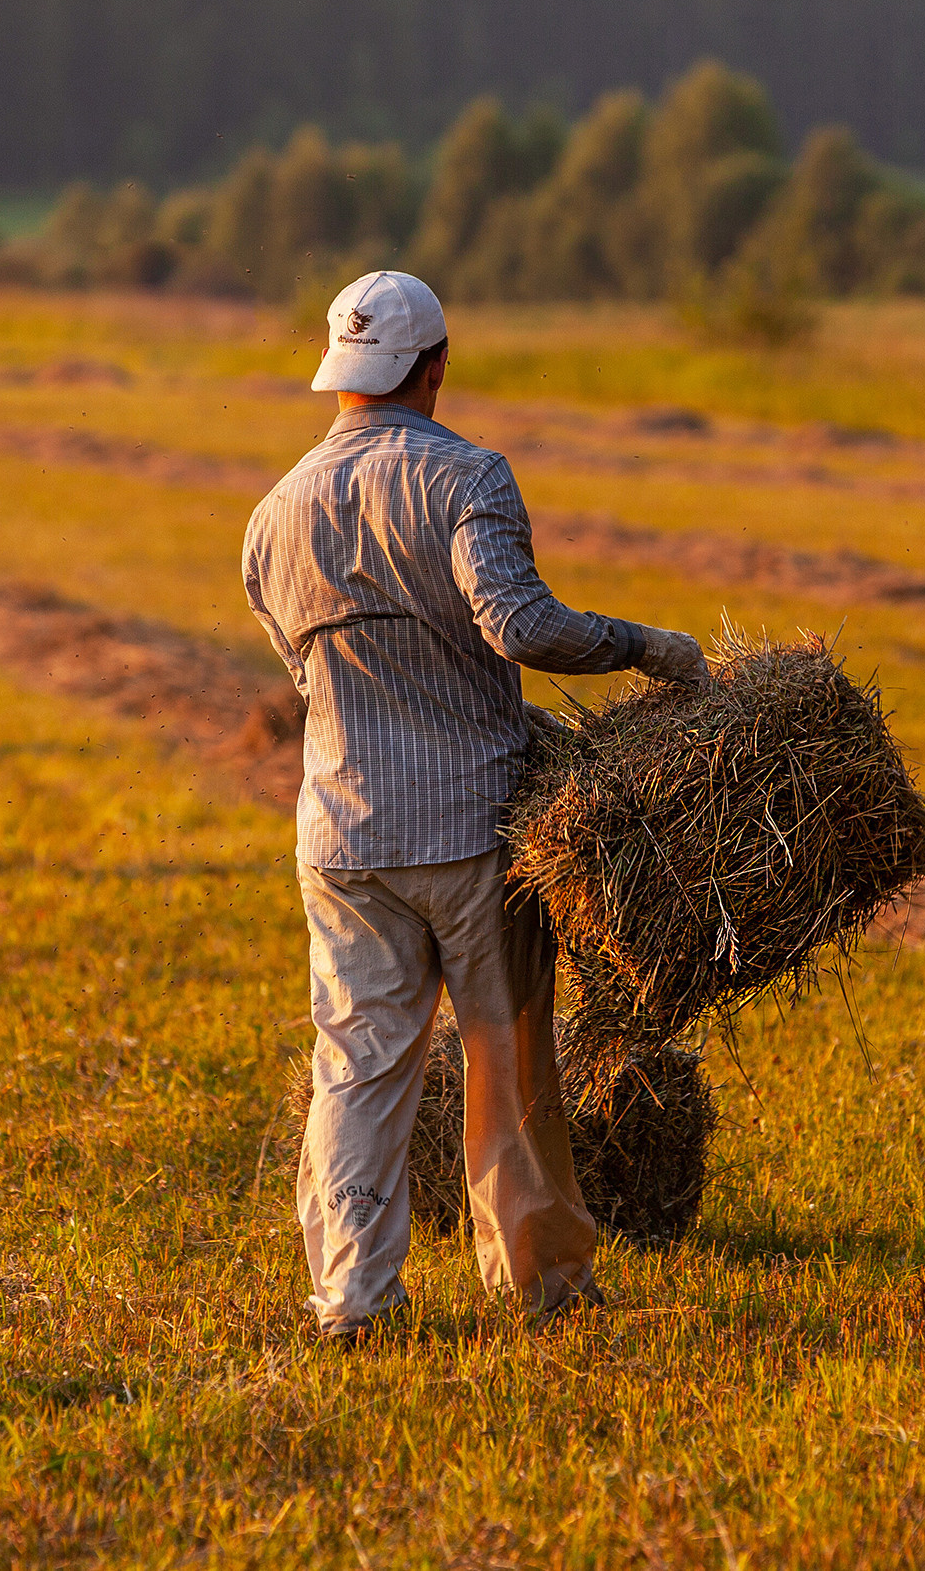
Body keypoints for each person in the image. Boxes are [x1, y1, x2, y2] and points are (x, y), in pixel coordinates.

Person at [242, 269, 707, 1341]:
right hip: (469, 829)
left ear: (340, 372)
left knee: (355, 1062)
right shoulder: (467, 477)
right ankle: (542, 1283)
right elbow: (520, 624)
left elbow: (303, 675)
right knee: (505, 1054)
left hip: (341, 836)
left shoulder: (272, 515)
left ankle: (351, 1299)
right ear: (437, 364)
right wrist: (645, 648)